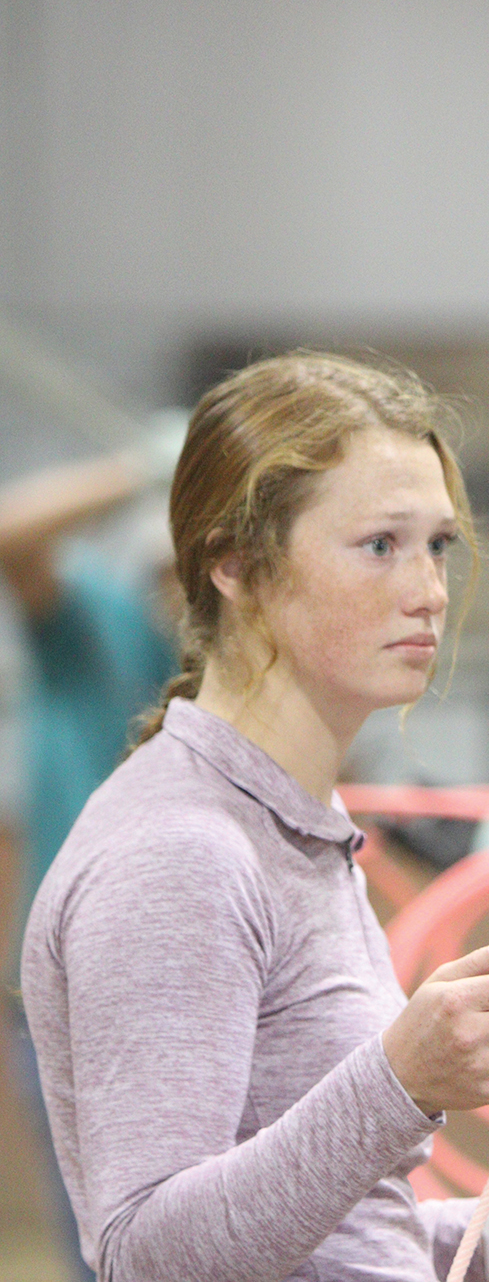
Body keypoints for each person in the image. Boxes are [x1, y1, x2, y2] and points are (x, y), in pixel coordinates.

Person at [21, 352, 489, 1282]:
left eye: (438, 545)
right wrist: (399, 1081)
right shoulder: (182, 854)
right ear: (236, 566)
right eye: (380, 545)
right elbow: (149, 1257)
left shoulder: (291, 819)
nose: (428, 589)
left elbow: (324, 1234)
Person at [0, 429, 182, 1282]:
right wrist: (140, 465)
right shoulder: (94, 629)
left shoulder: (247, 674)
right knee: (101, 1242)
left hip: (190, 990)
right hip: (72, 992)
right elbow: (14, 533)